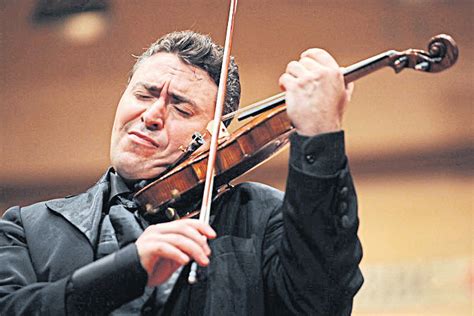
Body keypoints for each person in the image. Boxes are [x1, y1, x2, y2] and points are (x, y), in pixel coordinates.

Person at [0, 31, 363, 315]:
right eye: (145, 94)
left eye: (181, 108)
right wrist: (125, 271)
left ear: (215, 135)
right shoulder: (28, 229)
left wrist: (321, 135)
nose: (152, 115)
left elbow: (321, 301)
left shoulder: (263, 218)